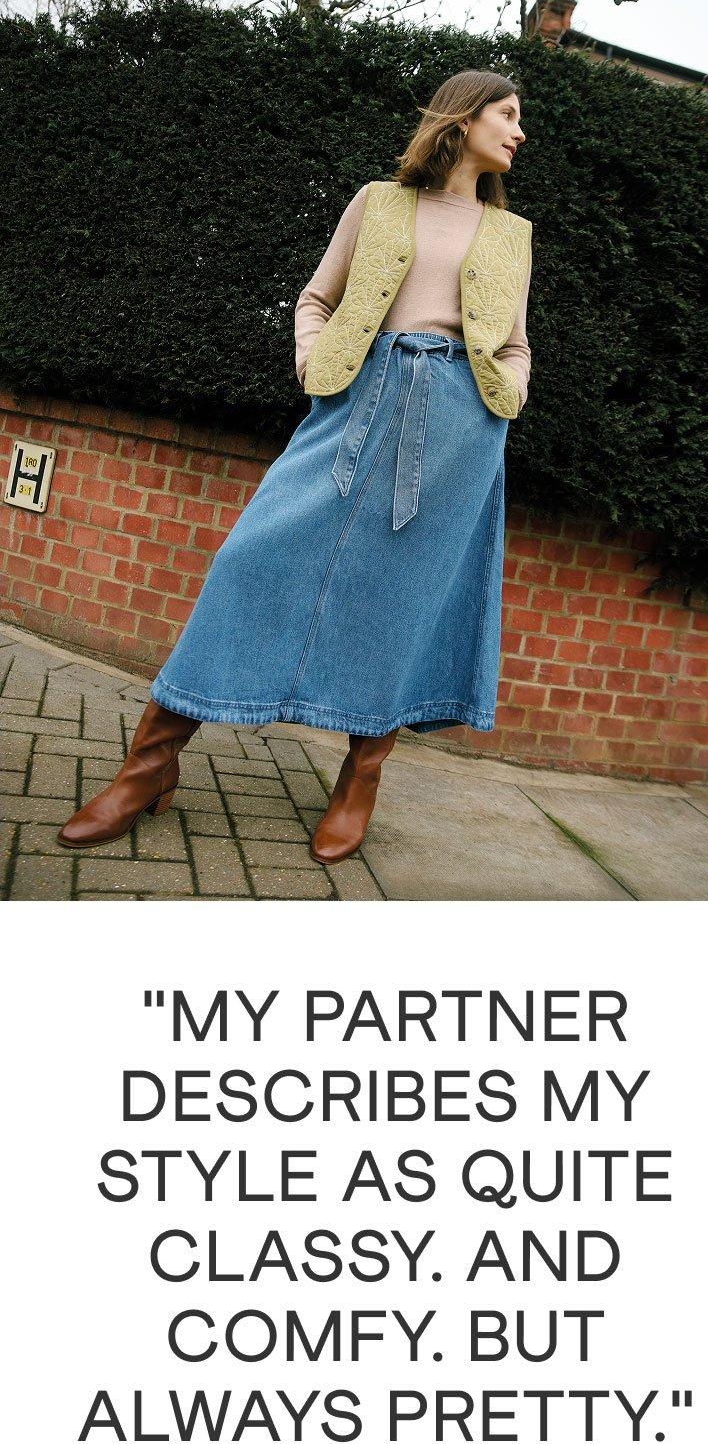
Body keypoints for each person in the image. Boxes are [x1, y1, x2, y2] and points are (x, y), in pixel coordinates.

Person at [57, 69, 533, 865]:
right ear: (463, 116)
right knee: (251, 561)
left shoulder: (511, 234)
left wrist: (509, 388)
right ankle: (148, 768)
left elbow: (514, 342)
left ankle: (359, 782)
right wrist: (315, 362)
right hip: (358, 401)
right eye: (509, 115)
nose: (520, 132)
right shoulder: (378, 201)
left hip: (458, 427)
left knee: (399, 603)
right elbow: (316, 298)